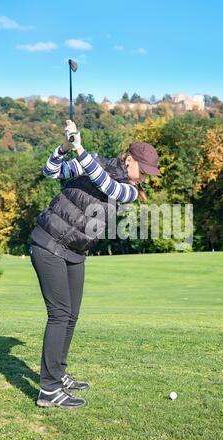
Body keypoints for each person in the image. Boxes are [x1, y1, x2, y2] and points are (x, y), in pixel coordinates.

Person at [30, 120, 162, 409]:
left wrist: (79, 148)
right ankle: (49, 390)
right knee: (59, 315)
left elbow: (106, 183)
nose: (146, 179)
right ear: (129, 160)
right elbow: (50, 171)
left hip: (76, 250)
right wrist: (65, 147)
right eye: (144, 171)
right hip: (49, 243)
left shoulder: (126, 190)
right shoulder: (95, 162)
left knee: (71, 316)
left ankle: (58, 373)